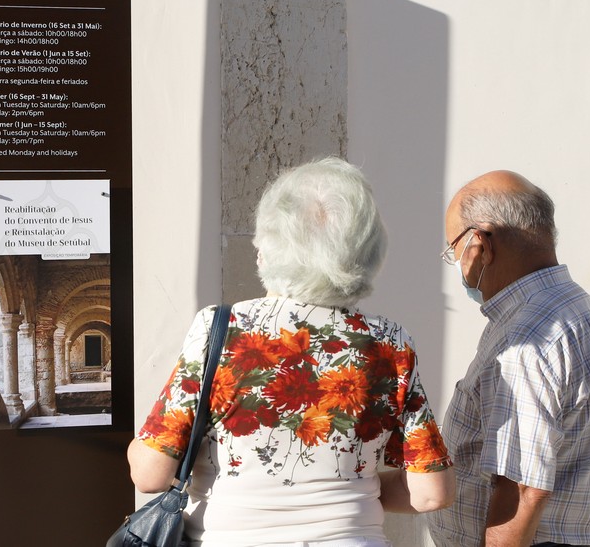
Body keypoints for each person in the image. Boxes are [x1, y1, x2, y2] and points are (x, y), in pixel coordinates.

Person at [128, 157, 455, 547]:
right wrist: (344, 491)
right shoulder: (390, 341)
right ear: (367, 252)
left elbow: (150, 474)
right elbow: (431, 492)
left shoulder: (223, 329)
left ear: (265, 247)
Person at [427, 171, 590, 547]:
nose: (454, 260)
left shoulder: (526, 340)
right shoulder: (584, 309)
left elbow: (522, 491)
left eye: (452, 247)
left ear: (482, 243)